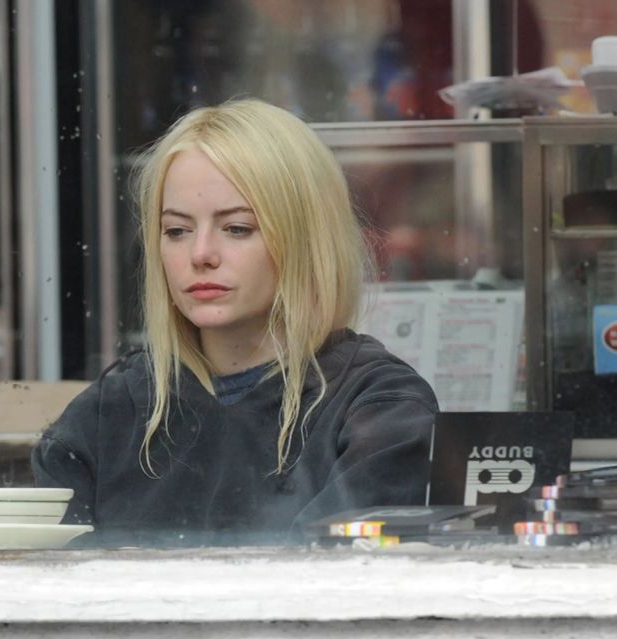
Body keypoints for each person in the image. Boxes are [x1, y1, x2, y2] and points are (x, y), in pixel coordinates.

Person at [32, 99, 438, 546]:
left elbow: (341, 582)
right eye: (177, 230)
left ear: (305, 239)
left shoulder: (379, 410)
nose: (201, 253)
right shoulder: (107, 416)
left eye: (237, 228)